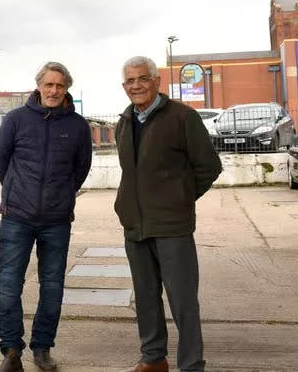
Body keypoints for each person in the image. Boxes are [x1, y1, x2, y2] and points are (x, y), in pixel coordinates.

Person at [114, 56, 222, 372]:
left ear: (156, 81)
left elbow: (209, 167)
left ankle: (191, 365)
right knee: (146, 299)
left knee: (183, 302)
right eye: (130, 81)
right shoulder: (124, 121)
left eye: (142, 79)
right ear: (124, 86)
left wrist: (180, 198)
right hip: (135, 225)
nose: (136, 85)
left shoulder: (182, 117)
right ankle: (153, 358)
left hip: (172, 226)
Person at [0, 61, 93, 372]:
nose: (53, 90)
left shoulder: (77, 126)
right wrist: (16, 192)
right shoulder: (15, 119)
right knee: (9, 284)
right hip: (16, 217)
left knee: (52, 285)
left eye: (59, 86)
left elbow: (81, 169)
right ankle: (11, 351)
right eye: (48, 85)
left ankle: (42, 348)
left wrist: (61, 196)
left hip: (56, 220)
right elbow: (1, 162)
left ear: (66, 89)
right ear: (38, 86)